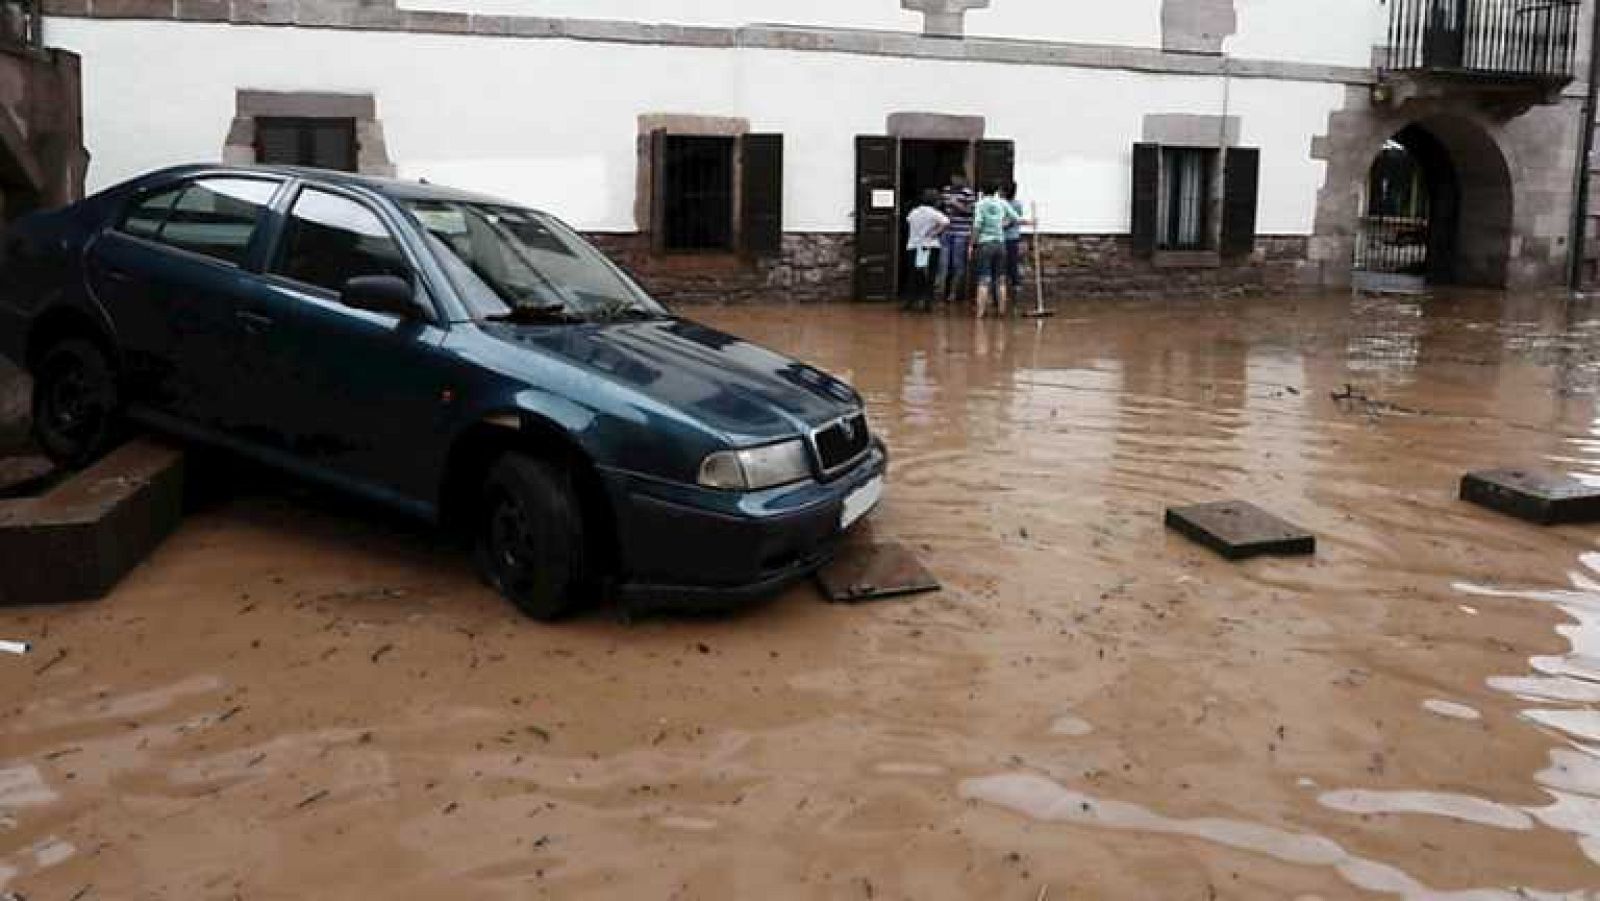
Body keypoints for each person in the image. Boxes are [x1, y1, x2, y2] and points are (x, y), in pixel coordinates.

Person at [971, 182, 1017, 319]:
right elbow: (1015, 218)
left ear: (982, 191)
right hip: (1000, 243)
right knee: (1000, 279)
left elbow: (977, 225)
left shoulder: (980, 204)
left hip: (985, 243)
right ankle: (1002, 311)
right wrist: (1003, 224)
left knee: (984, 280)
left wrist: (972, 243)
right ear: (996, 190)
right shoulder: (1002, 203)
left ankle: (980, 313)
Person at [903, 189, 949, 312]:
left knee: (915, 274)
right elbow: (946, 222)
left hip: (914, 245)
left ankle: (911, 300)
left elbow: (908, 221)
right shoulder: (934, 213)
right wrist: (935, 232)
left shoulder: (914, 212)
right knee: (930, 274)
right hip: (930, 245)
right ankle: (927, 302)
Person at [937, 173, 977, 305]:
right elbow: (941, 209)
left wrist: (957, 205)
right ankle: (941, 293)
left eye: (957, 178)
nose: (955, 180)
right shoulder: (946, 191)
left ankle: (954, 293)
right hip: (946, 231)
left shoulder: (968, 193)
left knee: (958, 264)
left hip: (962, 232)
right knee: (943, 263)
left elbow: (972, 211)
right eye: (953, 178)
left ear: (963, 179)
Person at [1001, 182, 1031, 299]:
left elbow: (1013, 220)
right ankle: (1008, 288)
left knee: (1012, 264)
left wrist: (1003, 224)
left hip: (1010, 237)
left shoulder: (1015, 205)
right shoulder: (1001, 204)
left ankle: (1015, 287)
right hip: (1005, 237)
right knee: (1005, 264)